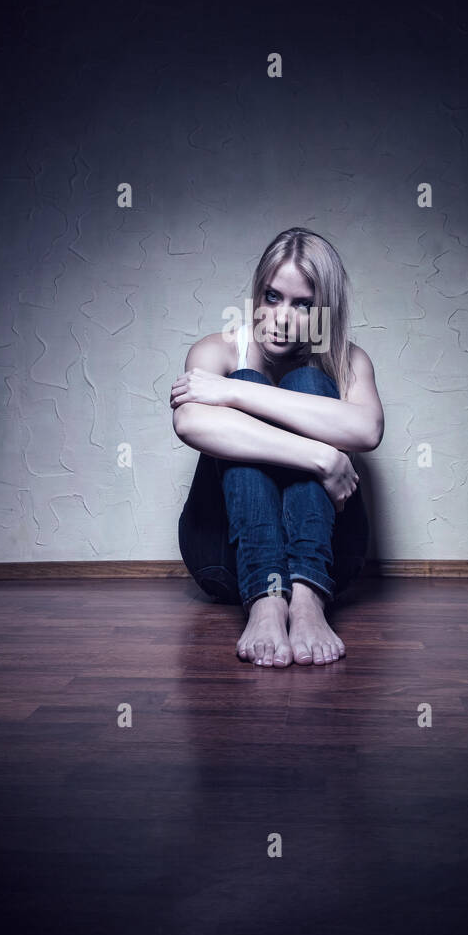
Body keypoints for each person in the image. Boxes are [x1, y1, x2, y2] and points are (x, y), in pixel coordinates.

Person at [172, 227, 384, 666]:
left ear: (326, 309)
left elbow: (367, 431)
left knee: (305, 380)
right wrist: (320, 456)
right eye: (272, 296)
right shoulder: (220, 350)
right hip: (224, 558)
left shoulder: (348, 360)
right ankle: (265, 598)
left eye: (303, 304)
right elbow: (189, 420)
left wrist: (235, 396)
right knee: (246, 375)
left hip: (328, 562)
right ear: (257, 295)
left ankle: (306, 597)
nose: (282, 317)